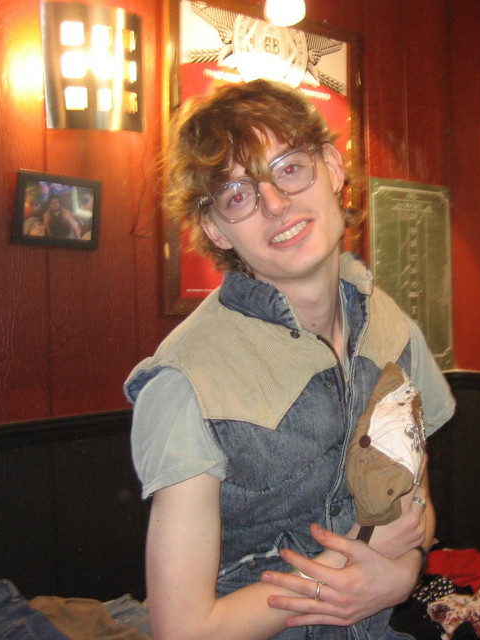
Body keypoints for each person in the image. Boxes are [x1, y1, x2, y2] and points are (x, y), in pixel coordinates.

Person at [124, 79, 455, 640]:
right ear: (214, 228)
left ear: (332, 167)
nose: (275, 204)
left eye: (289, 169)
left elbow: (415, 506)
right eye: (237, 196)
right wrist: (349, 565)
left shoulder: (393, 329)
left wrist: (404, 573)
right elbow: (183, 631)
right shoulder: (186, 381)